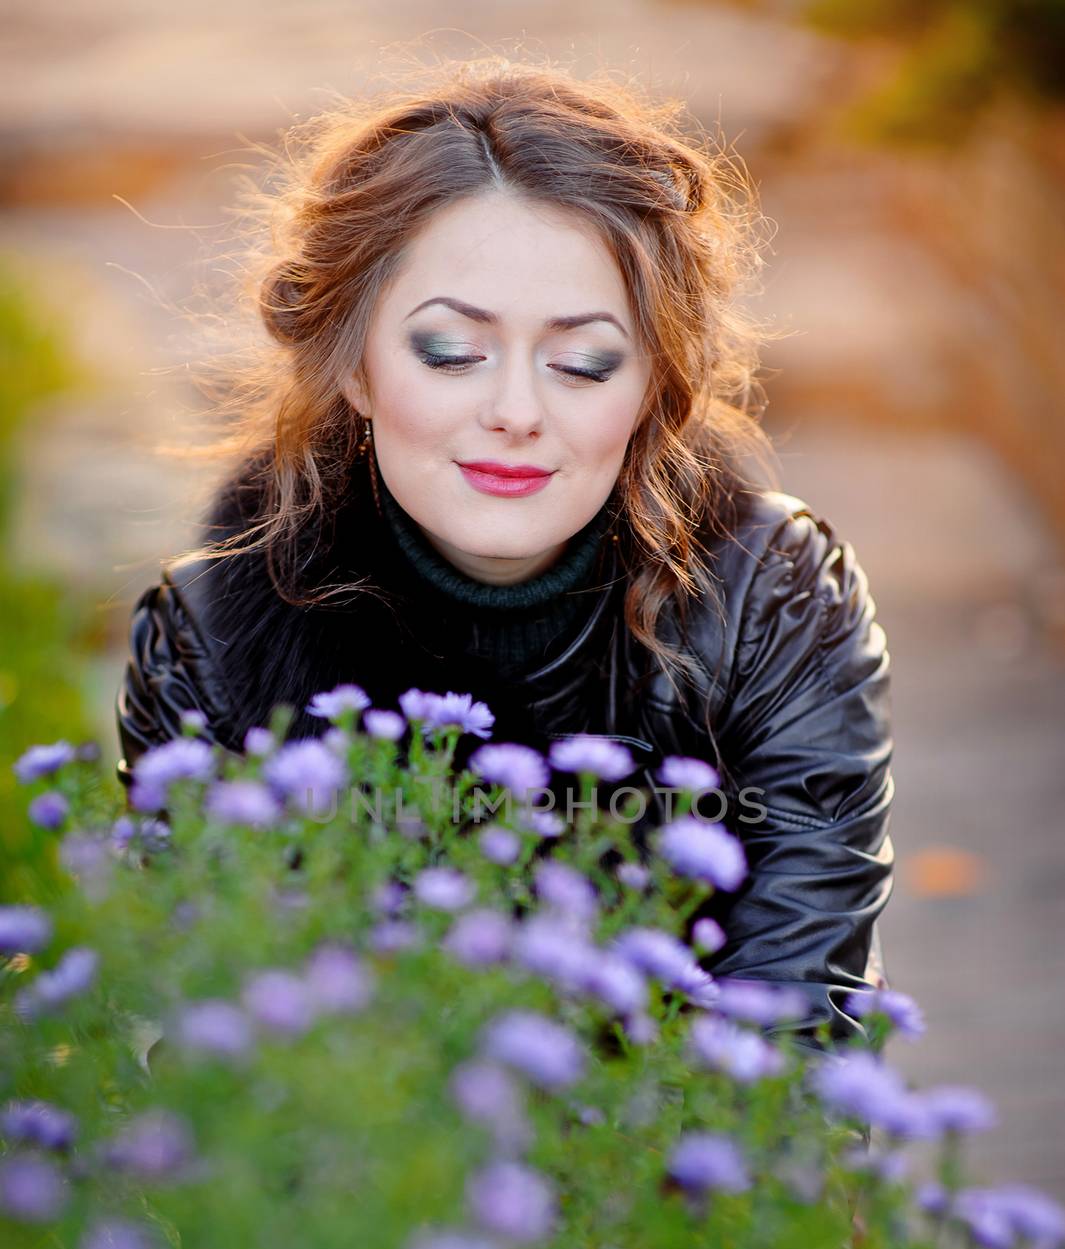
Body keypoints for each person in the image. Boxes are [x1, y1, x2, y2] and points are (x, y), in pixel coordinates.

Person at [114, 59, 893, 1045]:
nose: (517, 413)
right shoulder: (211, 646)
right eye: (451, 352)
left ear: (654, 379)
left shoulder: (775, 604)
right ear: (354, 364)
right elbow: (223, 1068)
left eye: (583, 361)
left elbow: (798, 1051)